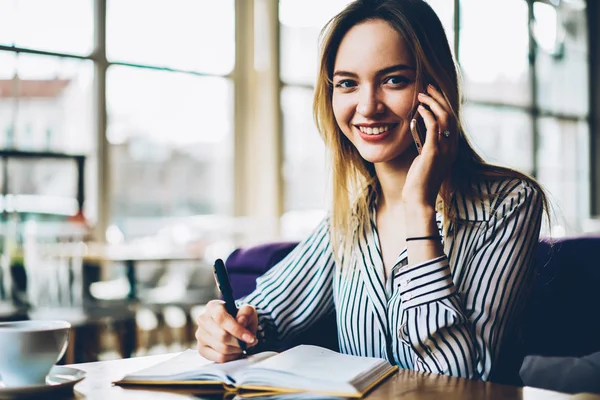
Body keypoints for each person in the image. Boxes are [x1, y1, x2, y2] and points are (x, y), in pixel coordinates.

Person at [195, 0, 547, 383]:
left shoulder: (509, 202)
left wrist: (419, 210)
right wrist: (228, 328)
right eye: (347, 83)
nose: (367, 106)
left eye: (394, 79)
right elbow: (267, 314)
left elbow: (459, 378)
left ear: (436, 89)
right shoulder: (352, 214)